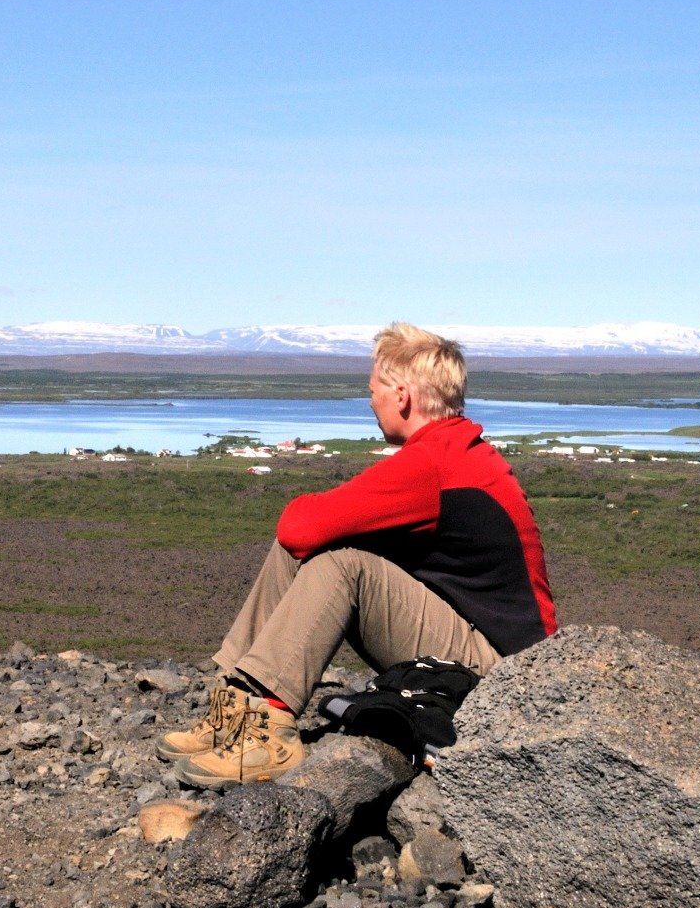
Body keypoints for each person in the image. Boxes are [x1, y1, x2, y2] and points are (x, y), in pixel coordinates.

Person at [160, 322, 556, 787]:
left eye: (374, 391)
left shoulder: (431, 464)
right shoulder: (452, 450)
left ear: (402, 396)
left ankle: (270, 731)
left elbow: (300, 523)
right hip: (482, 649)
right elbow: (299, 538)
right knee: (301, 551)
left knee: (341, 562)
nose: (371, 402)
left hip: (500, 676)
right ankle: (235, 711)